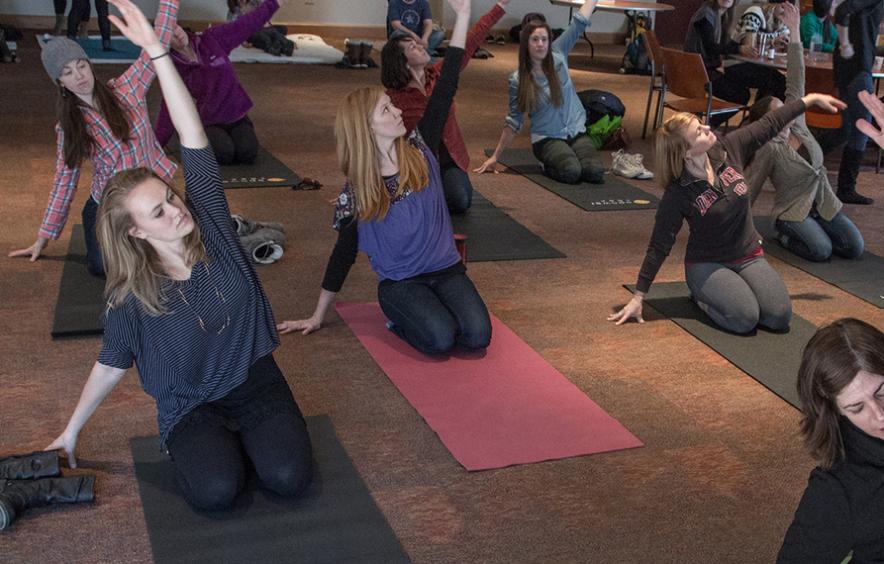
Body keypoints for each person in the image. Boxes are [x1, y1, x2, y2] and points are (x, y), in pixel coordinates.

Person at [45, 0, 313, 512]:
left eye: (170, 198)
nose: (175, 211)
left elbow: (194, 142)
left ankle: (260, 439)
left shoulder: (210, 224)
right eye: (159, 213)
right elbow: (110, 363)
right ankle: (205, 447)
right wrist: (70, 431)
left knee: (290, 478)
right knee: (216, 492)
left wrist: (157, 54)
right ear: (136, 233)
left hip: (255, 381)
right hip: (190, 404)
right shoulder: (131, 292)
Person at [278, 0, 490, 356]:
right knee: (440, 339)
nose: (396, 110)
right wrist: (317, 315)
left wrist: (464, 15)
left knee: (477, 336)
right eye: (386, 109)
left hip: (447, 269)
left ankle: (430, 310)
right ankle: (397, 317)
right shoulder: (360, 190)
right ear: (366, 128)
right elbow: (342, 254)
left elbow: (449, 80)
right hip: (402, 282)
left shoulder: (421, 144)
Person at [607, 91, 844, 334]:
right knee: (744, 319)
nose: (707, 127)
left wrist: (810, 100)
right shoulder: (678, 193)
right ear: (686, 152)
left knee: (778, 317)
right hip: (707, 263)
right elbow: (659, 245)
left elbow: (770, 123)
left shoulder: (728, 148)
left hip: (748, 254)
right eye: (698, 131)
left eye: (701, 125)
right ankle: (700, 297)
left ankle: (734, 290)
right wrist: (639, 295)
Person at [8, 1, 178, 276]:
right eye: (67, 73)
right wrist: (43, 237)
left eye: (81, 66)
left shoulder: (127, 89)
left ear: (89, 64)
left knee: (171, 249)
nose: (78, 76)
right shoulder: (70, 126)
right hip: (109, 204)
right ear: (60, 82)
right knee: (102, 267)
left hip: (151, 193)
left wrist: (170, 1)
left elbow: (159, 42)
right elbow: (64, 180)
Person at [744, 2, 863, 262]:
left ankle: (817, 228)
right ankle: (784, 234)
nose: (784, 116)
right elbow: (750, 190)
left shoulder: (796, 121)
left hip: (822, 204)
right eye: (776, 116)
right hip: (793, 211)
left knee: (855, 248)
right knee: (822, 252)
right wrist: (740, 232)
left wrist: (795, 31)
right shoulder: (770, 149)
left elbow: (796, 77)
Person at [381, 0, 508, 214]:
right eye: (413, 47)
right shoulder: (393, 100)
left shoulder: (439, 75)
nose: (421, 45)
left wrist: (500, 6)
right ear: (402, 62)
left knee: (461, 199)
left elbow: (470, 41)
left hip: (448, 160)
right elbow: (375, 143)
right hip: (414, 166)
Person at [776, 318, 884, 563]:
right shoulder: (836, 489)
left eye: (882, 392)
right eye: (857, 408)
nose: (879, 414)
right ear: (837, 413)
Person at [475, 0, 606, 185]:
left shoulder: (558, 53)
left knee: (594, 173)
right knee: (572, 172)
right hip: (547, 138)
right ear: (526, 43)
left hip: (576, 131)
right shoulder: (518, 80)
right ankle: (546, 164)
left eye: (544, 39)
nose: (540, 44)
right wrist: (495, 157)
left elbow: (579, 21)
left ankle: (574, 156)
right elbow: (513, 121)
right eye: (535, 40)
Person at [154, 0, 287, 166]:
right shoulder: (175, 70)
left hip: (236, 115)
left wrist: (274, 4)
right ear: (165, 43)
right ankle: (193, 138)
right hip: (209, 121)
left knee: (247, 153)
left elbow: (246, 24)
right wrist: (154, 147)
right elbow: (168, 109)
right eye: (170, 35)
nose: (177, 34)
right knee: (224, 153)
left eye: (175, 27)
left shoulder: (212, 39)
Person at [683, 0, 786, 127]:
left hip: (708, 69)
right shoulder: (705, 15)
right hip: (700, 72)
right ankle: (752, 124)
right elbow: (711, 47)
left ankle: (755, 124)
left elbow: (725, 45)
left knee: (772, 80)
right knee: (756, 88)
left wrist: (767, 43)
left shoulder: (722, 15)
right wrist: (739, 48)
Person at [828, 0, 882, 205]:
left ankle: (803, 162)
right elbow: (841, 11)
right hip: (857, 67)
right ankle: (846, 188)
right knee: (861, 128)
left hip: (852, 65)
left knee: (847, 129)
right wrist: (845, 44)